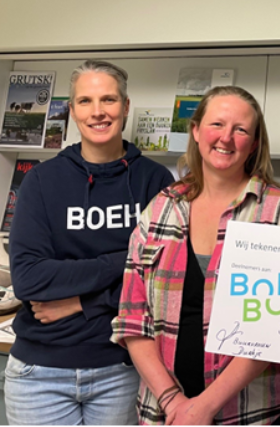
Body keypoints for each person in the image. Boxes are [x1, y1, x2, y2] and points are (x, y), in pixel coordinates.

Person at [111, 86, 280, 425]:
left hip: (246, 414)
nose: (226, 138)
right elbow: (132, 319)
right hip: (163, 414)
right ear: (196, 131)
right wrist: (174, 403)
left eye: (240, 129)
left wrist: (203, 408)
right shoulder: (161, 208)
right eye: (217, 124)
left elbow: (273, 330)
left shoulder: (276, 211)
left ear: (254, 143)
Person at [6, 60, 175, 425]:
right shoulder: (41, 180)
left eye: (108, 100)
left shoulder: (155, 180)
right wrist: (126, 261)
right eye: (85, 101)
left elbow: (162, 282)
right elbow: (30, 279)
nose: (97, 112)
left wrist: (82, 301)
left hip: (121, 368)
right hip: (40, 373)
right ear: (72, 110)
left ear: (125, 107)